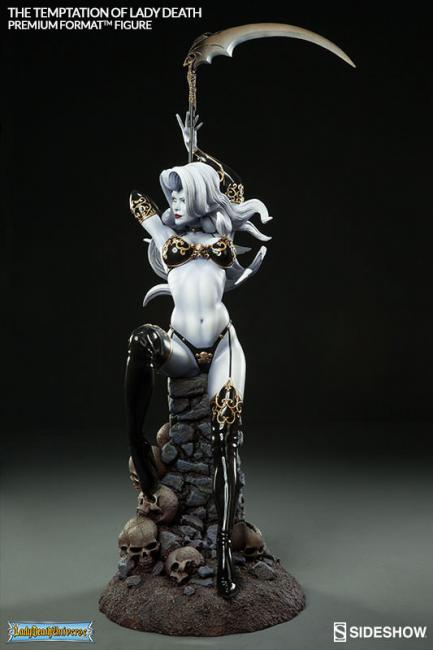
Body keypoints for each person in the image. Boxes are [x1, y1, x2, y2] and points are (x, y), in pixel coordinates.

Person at [125, 112, 271, 599]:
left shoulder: (222, 228)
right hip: (182, 349)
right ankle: (137, 444)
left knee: (226, 434)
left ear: (203, 195)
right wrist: (183, 164)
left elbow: (232, 187)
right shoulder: (164, 234)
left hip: (224, 345)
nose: (173, 201)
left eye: (182, 193)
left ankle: (225, 550)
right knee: (141, 341)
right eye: (171, 194)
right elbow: (136, 199)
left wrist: (199, 154)